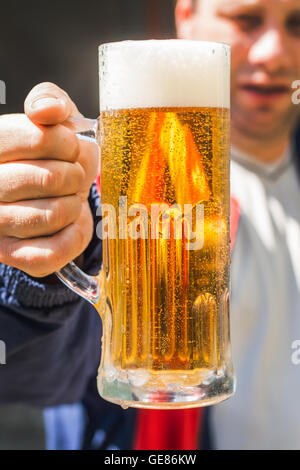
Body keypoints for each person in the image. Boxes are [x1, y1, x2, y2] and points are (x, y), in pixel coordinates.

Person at [1, 0, 300, 450]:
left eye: (298, 23)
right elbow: (36, 376)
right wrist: (36, 273)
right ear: (185, 17)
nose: (274, 54)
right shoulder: (108, 191)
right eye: (247, 20)